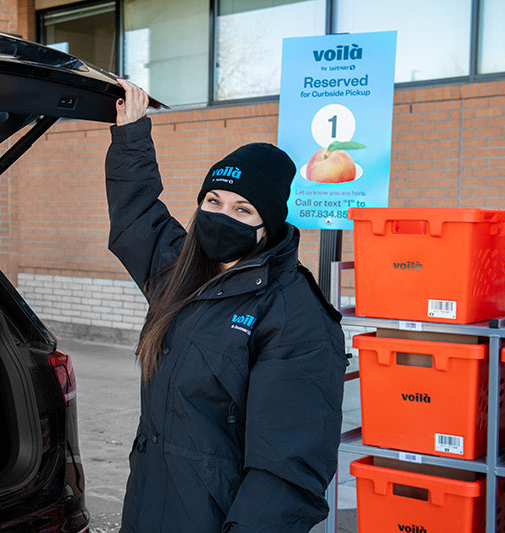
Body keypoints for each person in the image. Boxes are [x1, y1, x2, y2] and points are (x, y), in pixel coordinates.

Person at [105, 79, 347, 533]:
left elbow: (288, 468)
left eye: (243, 210)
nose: (222, 216)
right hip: (149, 506)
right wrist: (132, 134)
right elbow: (136, 215)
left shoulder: (293, 311)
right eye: (213, 201)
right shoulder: (180, 270)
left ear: (268, 225)